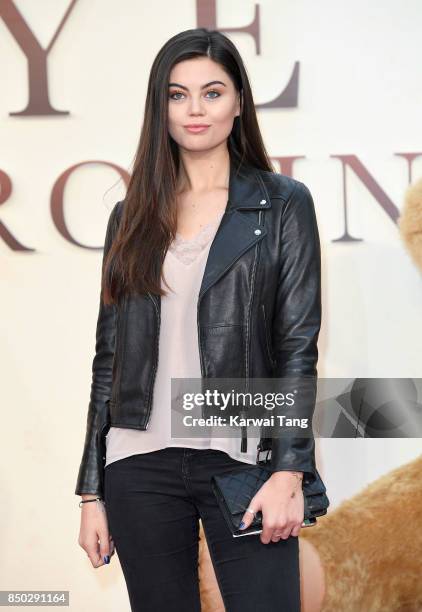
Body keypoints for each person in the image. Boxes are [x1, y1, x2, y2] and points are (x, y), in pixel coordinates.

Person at [75, 27, 322, 612]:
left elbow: (297, 346)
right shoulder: (129, 217)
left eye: (212, 92)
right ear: (159, 106)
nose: (194, 110)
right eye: (177, 94)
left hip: (243, 458)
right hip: (138, 462)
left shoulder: (282, 203)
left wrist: (289, 469)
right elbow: (107, 360)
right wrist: (91, 491)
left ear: (238, 101)